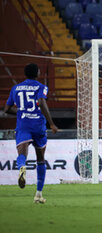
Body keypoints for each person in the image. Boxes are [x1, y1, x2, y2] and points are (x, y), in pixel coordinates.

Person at [4, 63, 58, 203]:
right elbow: (41, 101)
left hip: (23, 125)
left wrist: (22, 111)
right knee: (40, 159)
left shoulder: (15, 88)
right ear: (38, 73)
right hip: (38, 126)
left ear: (25, 74)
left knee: (22, 154)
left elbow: (6, 109)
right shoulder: (41, 87)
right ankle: (38, 194)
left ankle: (22, 166)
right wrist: (51, 123)